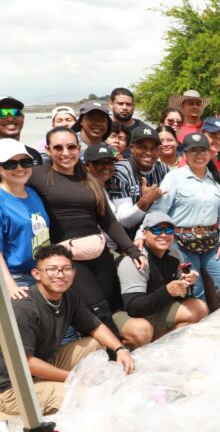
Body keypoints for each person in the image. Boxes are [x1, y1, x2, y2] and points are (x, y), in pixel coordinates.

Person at [0, 244, 135, 432]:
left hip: (43, 365)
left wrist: (120, 349)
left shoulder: (68, 296)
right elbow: (25, 363)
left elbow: (95, 326)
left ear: (73, 272)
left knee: (96, 344)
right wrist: (73, 378)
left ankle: (50, 400)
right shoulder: (24, 306)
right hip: (13, 386)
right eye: (52, 269)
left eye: (66, 269)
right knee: (86, 398)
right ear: (36, 274)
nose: (60, 274)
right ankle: (18, 425)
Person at [29, 130, 144, 334]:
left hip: (99, 254)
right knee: (99, 311)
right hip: (67, 257)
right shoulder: (37, 175)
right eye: (58, 148)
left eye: (71, 147)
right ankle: (118, 351)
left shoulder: (90, 179)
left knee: (111, 305)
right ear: (47, 150)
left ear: (79, 148)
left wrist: (131, 249)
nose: (66, 153)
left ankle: (118, 347)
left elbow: (108, 220)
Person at [150, 133, 220, 305]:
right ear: (185, 154)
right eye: (193, 151)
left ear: (210, 153)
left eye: (203, 150)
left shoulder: (217, 177)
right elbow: (159, 211)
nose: (199, 155)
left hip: (212, 243)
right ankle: (203, 321)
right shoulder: (174, 178)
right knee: (195, 290)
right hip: (181, 244)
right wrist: (142, 235)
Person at [115, 211, 208, 348]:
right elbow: (133, 307)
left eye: (168, 230)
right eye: (157, 230)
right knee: (142, 331)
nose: (163, 235)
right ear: (144, 233)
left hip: (156, 308)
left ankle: (156, 348)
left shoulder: (175, 254)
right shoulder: (135, 259)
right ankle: (128, 349)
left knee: (200, 307)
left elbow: (183, 296)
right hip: (125, 313)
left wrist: (188, 284)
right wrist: (167, 291)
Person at [0, 139, 49, 299]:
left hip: (42, 273)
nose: (20, 168)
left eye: (25, 162)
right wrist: (9, 285)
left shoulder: (32, 193)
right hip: (18, 279)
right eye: (10, 164)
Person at [109, 126, 167, 232]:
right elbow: (124, 221)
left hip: (157, 233)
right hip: (126, 237)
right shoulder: (119, 171)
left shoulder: (163, 169)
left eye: (153, 148)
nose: (148, 152)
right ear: (132, 148)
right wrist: (145, 201)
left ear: (159, 150)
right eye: (142, 147)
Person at [0, 96, 43, 164]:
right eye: (1, 113)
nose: (10, 119)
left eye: (15, 112)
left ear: (23, 118)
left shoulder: (33, 155)